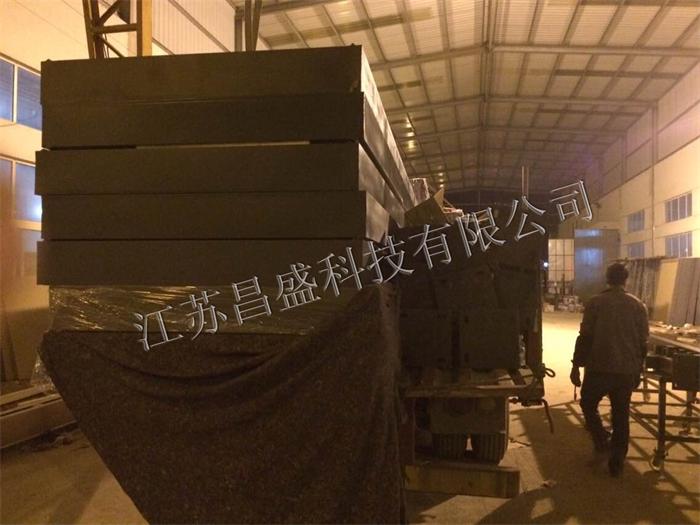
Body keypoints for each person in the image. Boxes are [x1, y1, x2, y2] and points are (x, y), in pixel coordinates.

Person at [570, 262, 649, 477]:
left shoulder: (595, 303)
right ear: (626, 280)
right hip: (626, 370)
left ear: (607, 279)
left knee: (588, 404)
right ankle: (617, 463)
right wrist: (639, 370)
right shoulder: (638, 305)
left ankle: (601, 441)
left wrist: (576, 366)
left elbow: (585, 337)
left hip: (599, 367)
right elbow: (643, 343)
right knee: (621, 414)